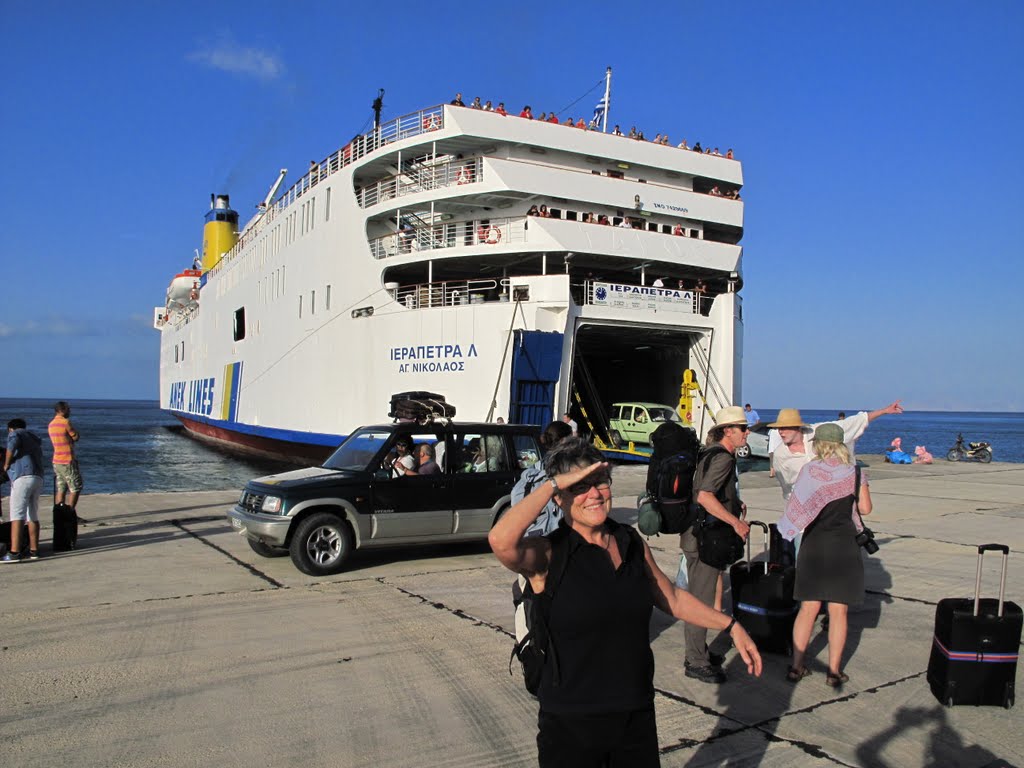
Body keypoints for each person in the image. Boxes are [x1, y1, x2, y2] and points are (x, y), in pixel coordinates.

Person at [489, 438, 761, 767]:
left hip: (634, 713)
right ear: (559, 498)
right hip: (571, 723)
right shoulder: (549, 553)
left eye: (600, 482)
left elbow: (671, 597)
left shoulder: (628, 541)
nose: (594, 494)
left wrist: (729, 625)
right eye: (580, 486)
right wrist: (554, 483)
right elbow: (501, 541)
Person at [779, 423, 872, 688]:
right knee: (839, 611)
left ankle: (796, 667)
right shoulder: (855, 474)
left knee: (808, 608)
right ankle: (833, 671)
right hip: (843, 546)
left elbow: (798, 507)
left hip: (814, 544)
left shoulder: (809, 471)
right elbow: (865, 508)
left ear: (818, 444)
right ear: (841, 445)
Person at [682, 406, 751, 683]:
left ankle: (699, 651)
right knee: (700, 600)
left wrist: (734, 502)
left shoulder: (709, 453)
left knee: (700, 596)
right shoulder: (722, 458)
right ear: (728, 431)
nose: (747, 433)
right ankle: (696, 661)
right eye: (742, 428)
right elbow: (705, 496)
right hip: (704, 540)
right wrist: (735, 523)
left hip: (695, 535)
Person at [767, 402, 903, 503]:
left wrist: (884, 411)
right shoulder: (780, 455)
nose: (781, 432)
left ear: (797, 427)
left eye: (785, 428)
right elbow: (786, 488)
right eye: (779, 428)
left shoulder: (819, 432)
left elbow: (853, 422)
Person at [512, 421, 574, 536]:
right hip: (556, 535)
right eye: (571, 439)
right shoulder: (567, 470)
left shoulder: (536, 468)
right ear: (563, 441)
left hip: (534, 534)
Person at [2, 418, 45, 562]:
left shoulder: (15, 434)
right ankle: (34, 550)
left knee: (17, 515)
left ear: (10, 428)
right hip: (37, 477)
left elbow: (12, 445)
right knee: (32, 514)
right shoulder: (33, 438)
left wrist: (6, 464)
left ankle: (14, 552)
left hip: (22, 477)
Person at [48, 401, 83, 511]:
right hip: (67, 459)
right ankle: (70, 512)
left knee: (61, 487)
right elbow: (75, 437)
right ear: (62, 410)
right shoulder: (65, 422)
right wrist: (76, 433)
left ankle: (60, 511)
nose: (70, 411)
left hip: (56, 459)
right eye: (68, 409)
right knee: (75, 487)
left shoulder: (51, 424)